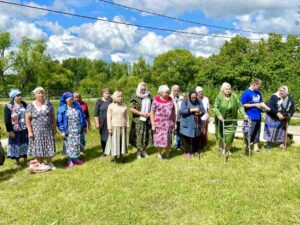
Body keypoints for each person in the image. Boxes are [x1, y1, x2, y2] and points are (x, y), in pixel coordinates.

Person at [25, 87, 56, 170]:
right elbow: (27, 119)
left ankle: (49, 162)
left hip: (48, 130)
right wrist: (30, 131)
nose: (40, 94)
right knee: (37, 146)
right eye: (38, 93)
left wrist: (54, 128)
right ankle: (39, 163)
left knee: (49, 145)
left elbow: (53, 116)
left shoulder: (48, 104)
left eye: (42, 93)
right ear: (35, 94)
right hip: (36, 131)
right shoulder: (31, 105)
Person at [214, 82, 245, 156]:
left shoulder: (234, 96)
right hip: (221, 120)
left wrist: (243, 114)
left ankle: (227, 150)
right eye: (226, 89)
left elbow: (240, 106)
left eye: (229, 89)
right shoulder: (219, 97)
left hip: (231, 120)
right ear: (222, 90)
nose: (228, 90)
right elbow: (215, 107)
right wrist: (218, 114)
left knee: (230, 135)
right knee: (221, 135)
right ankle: (221, 149)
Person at [57, 91, 87, 168]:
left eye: (72, 99)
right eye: (70, 99)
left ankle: (75, 159)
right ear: (66, 100)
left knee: (76, 144)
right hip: (68, 130)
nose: (72, 100)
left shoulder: (77, 106)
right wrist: (63, 131)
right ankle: (70, 160)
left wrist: (84, 126)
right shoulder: (62, 108)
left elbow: (82, 116)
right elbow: (59, 121)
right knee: (69, 145)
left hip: (77, 129)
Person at [241, 78, 270, 152]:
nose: (260, 88)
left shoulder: (258, 93)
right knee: (249, 132)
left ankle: (255, 147)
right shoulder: (246, 93)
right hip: (249, 116)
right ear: (254, 85)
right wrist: (254, 105)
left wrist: (266, 107)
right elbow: (243, 104)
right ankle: (246, 147)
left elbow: (261, 102)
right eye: (259, 86)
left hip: (258, 116)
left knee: (257, 132)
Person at [150, 85, 176, 160]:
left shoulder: (171, 99)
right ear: (161, 93)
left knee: (168, 139)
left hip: (168, 124)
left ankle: (168, 154)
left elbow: (173, 112)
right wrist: (153, 124)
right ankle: (159, 154)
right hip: (159, 124)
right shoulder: (156, 100)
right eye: (166, 92)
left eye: (168, 92)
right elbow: (152, 112)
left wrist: (174, 122)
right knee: (159, 140)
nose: (168, 94)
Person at [4, 89, 28, 165]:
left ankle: (25, 159)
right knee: (16, 144)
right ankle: (17, 161)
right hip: (15, 130)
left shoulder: (24, 104)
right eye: (18, 96)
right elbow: (7, 120)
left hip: (24, 129)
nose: (20, 97)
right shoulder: (9, 106)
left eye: (20, 95)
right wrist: (10, 131)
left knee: (25, 143)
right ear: (13, 97)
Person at [129, 82, 152, 159]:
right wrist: (141, 114)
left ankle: (144, 151)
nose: (143, 90)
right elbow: (132, 109)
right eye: (142, 89)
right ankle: (138, 152)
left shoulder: (148, 96)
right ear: (139, 88)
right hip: (137, 120)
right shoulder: (134, 96)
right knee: (138, 136)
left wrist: (149, 113)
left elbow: (153, 107)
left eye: (144, 89)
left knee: (146, 135)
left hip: (147, 120)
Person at [180, 91, 205, 159]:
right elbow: (182, 111)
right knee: (186, 138)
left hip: (196, 123)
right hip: (186, 123)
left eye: (194, 97)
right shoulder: (185, 100)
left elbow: (203, 110)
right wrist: (192, 110)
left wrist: (199, 112)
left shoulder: (199, 101)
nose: (193, 99)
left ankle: (195, 151)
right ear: (189, 96)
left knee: (196, 138)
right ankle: (187, 152)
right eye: (192, 98)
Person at [105, 91, 129, 159]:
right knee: (115, 142)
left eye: (121, 96)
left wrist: (127, 126)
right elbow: (109, 118)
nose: (121, 97)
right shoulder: (111, 106)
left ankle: (121, 155)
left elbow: (127, 117)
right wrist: (109, 128)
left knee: (122, 141)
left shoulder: (124, 105)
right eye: (119, 96)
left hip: (123, 126)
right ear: (115, 97)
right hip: (114, 127)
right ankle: (115, 156)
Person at [94, 88, 112, 154]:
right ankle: (104, 150)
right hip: (102, 123)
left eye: (108, 93)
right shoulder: (99, 101)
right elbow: (96, 114)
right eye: (106, 93)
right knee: (103, 137)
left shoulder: (112, 101)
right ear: (103, 94)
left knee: (110, 136)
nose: (107, 95)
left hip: (110, 122)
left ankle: (110, 150)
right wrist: (97, 123)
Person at [170, 85, 184, 151]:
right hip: (171, 118)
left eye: (177, 91)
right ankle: (169, 146)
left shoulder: (182, 98)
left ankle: (178, 145)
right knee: (170, 132)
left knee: (178, 132)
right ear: (172, 91)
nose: (176, 92)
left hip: (180, 118)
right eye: (174, 91)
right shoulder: (169, 98)